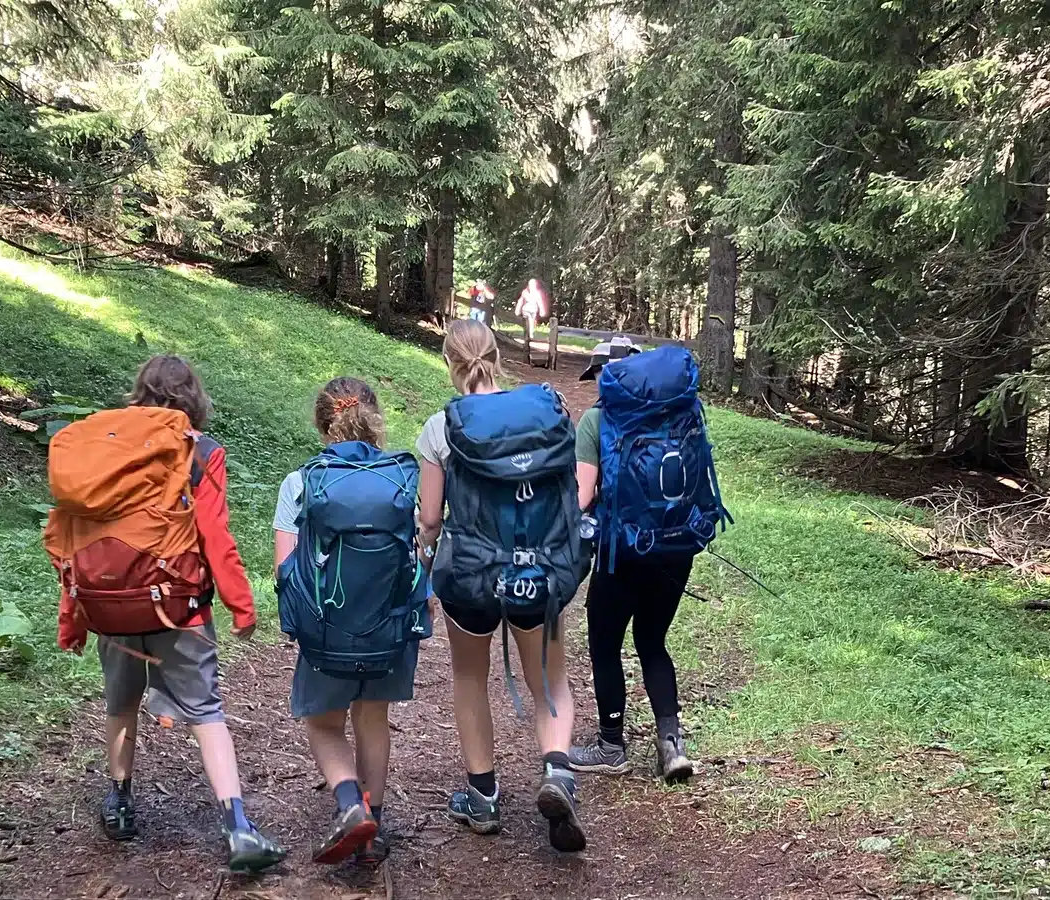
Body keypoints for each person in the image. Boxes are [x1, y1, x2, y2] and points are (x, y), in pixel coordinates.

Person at [51, 355, 286, 873]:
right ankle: (238, 827)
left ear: (139, 391)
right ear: (193, 398)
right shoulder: (198, 450)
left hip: (108, 606)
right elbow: (214, 536)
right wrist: (241, 605)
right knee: (206, 713)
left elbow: (71, 537)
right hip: (179, 607)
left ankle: (119, 803)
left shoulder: (101, 449)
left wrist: (73, 617)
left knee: (120, 704)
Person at [416, 319, 587, 854]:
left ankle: (483, 797)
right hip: (540, 574)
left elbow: (429, 519)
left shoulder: (441, 428)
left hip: (471, 577)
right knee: (549, 680)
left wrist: (425, 565)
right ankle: (557, 772)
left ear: (450, 362)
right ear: (495, 357)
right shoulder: (547, 414)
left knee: (470, 678)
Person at [273, 377, 429, 866]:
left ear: (323, 425)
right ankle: (371, 827)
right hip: (390, 629)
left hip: (328, 633)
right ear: (376, 420)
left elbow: (286, 570)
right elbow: (417, 554)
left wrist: (298, 626)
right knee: (373, 717)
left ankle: (348, 804)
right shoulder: (401, 480)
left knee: (324, 724)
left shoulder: (302, 482)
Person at [569, 340, 729, 782]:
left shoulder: (596, 420)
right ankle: (671, 744)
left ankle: (610, 745)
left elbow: (582, 497)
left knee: (605, 643)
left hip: (622, 551)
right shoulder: (683, 411)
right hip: (677, 547)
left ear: (606, 375)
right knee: (652, 641)